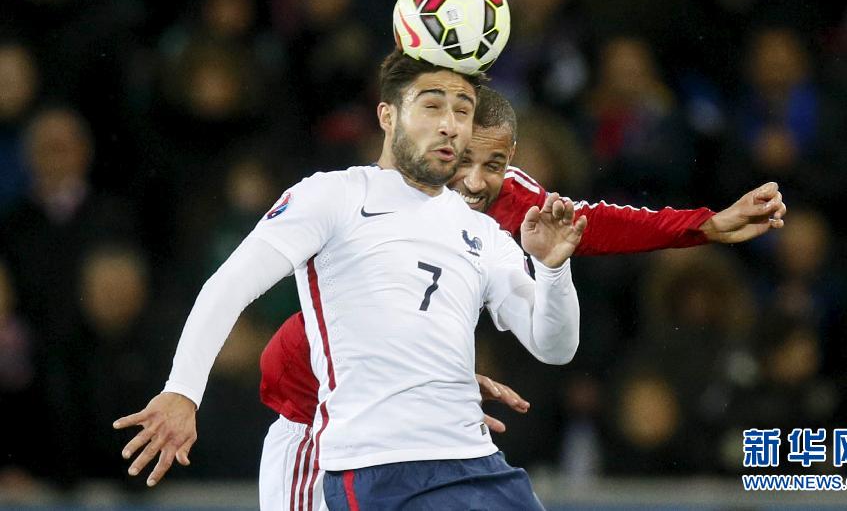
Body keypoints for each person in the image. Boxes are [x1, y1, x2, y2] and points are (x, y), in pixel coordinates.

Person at [257, 85, 788, 509]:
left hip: (399, 428)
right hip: (313, 415)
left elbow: (592, 224)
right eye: (461, 158)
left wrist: (707, 225)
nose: (474, 180)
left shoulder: (504, 200)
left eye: (492, 164)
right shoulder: (388, 187)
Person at [114, 50, 587, 511]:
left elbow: (554, 346)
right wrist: (182, 390)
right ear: (387, 115)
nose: (450, 124)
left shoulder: (483, 233)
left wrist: (553, 269)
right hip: (379, 466)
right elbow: (229, 286)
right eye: (432, 106)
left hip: (476, 461)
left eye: (462, 110)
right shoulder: (334, 197)